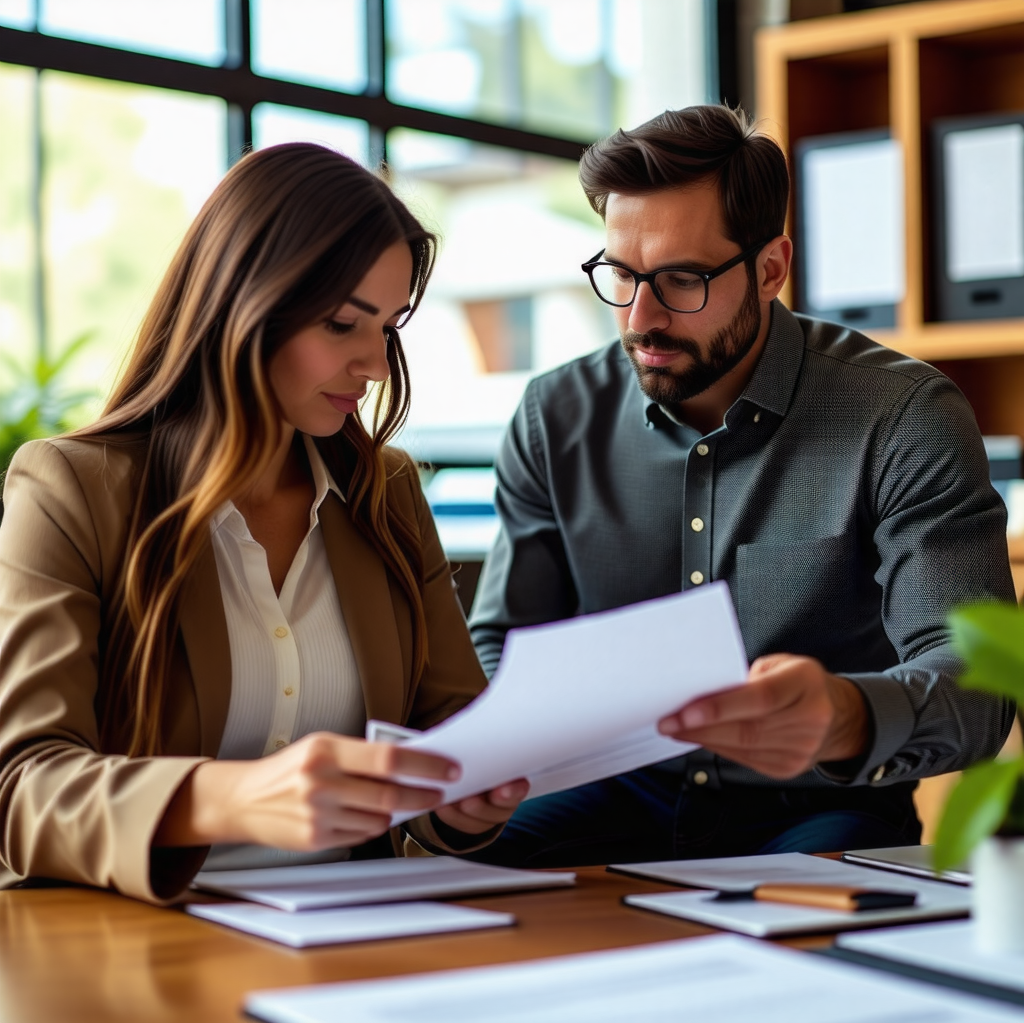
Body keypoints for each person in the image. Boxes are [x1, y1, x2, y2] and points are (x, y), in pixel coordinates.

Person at [468, 105, 1016, 868]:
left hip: (815, 804)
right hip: (608, 790)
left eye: (681, 279)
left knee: (824, 936)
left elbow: (978, 688)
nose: (641, 318)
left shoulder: (903, 416)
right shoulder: (553, 415)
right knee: (449, 889)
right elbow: (502, 646)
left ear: (770, 269)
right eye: (620, 274)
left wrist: (844, 714)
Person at [0, 143, 527, 903]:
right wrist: (233, 798)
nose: (376, 364)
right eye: (342, 324)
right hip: (143, 935)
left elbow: (448, 730)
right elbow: (20, 786)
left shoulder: (386, 492)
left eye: (388, 327)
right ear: (242, 307)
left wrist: (465, 798)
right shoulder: (74, 490)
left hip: (364, 929)